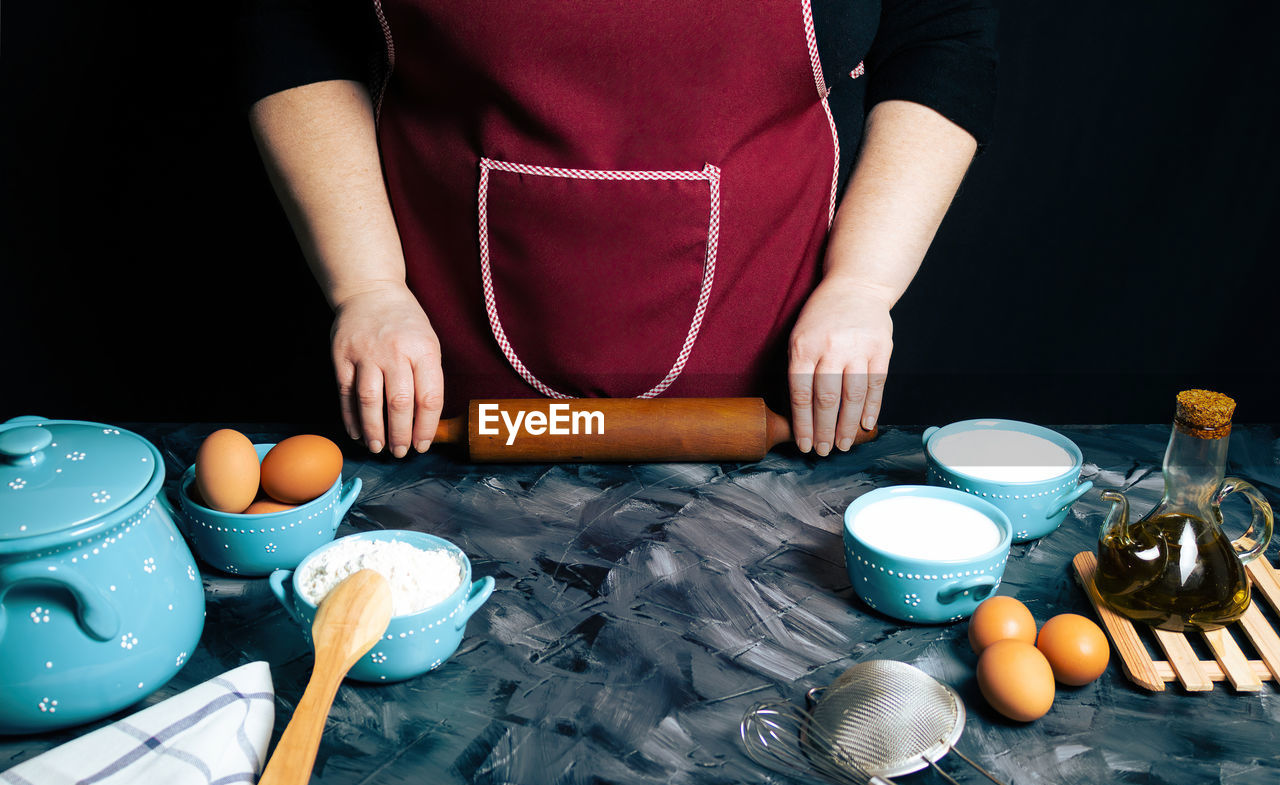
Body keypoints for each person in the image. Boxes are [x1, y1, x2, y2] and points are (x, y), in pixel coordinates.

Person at [237, 0, 997, 458]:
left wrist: (863, 284)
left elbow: (941, 35)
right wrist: (366, 287)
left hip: (775, 411)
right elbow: (296, 24)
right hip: (431, 398)